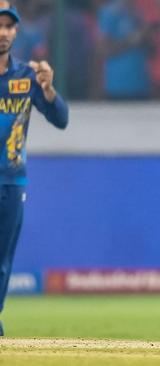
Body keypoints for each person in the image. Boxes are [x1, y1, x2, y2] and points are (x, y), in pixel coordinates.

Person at [0, 1, 69, 336]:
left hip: (12, 181)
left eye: (8, 26)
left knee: (2, 261)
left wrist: (48, 89)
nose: (3, 32)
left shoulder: (26, 76)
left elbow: (61, 120)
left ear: (15, 31)